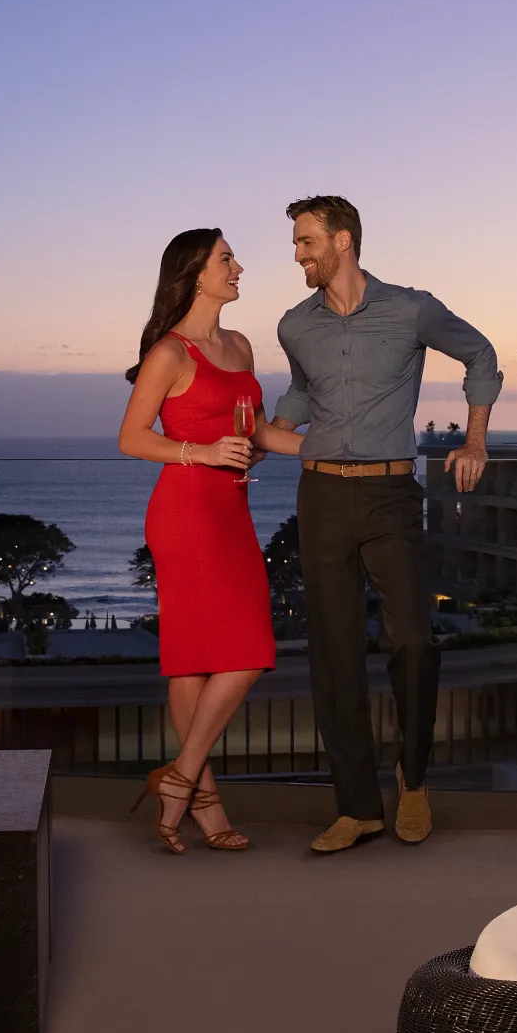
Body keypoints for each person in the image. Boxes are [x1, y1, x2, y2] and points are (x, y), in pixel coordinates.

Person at [270, 196, 501, 853]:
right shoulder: (295, 325)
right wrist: (275, 425)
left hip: (392, 494)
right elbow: (302, 390)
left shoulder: (411, 308)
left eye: (306, 241)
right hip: (320, 497)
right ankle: (357, 806)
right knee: (333, 651)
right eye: (295, 243)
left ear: (342, 240)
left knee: (414, 642)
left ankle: (414, 776)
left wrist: (476, 440)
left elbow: (481, 354)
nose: (298, 254)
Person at [119, 228, 304, 853]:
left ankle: (195, 795)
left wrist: (337, 450)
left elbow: (252, 434)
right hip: (185, 512)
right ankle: (185, 786)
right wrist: (201, 451)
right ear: (195, 273)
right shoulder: (169, 354)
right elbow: (132, 438)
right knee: (244, 651)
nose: (239, 267)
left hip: (232, 508)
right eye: (227, 259)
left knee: (201, 658)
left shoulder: (240, 345)